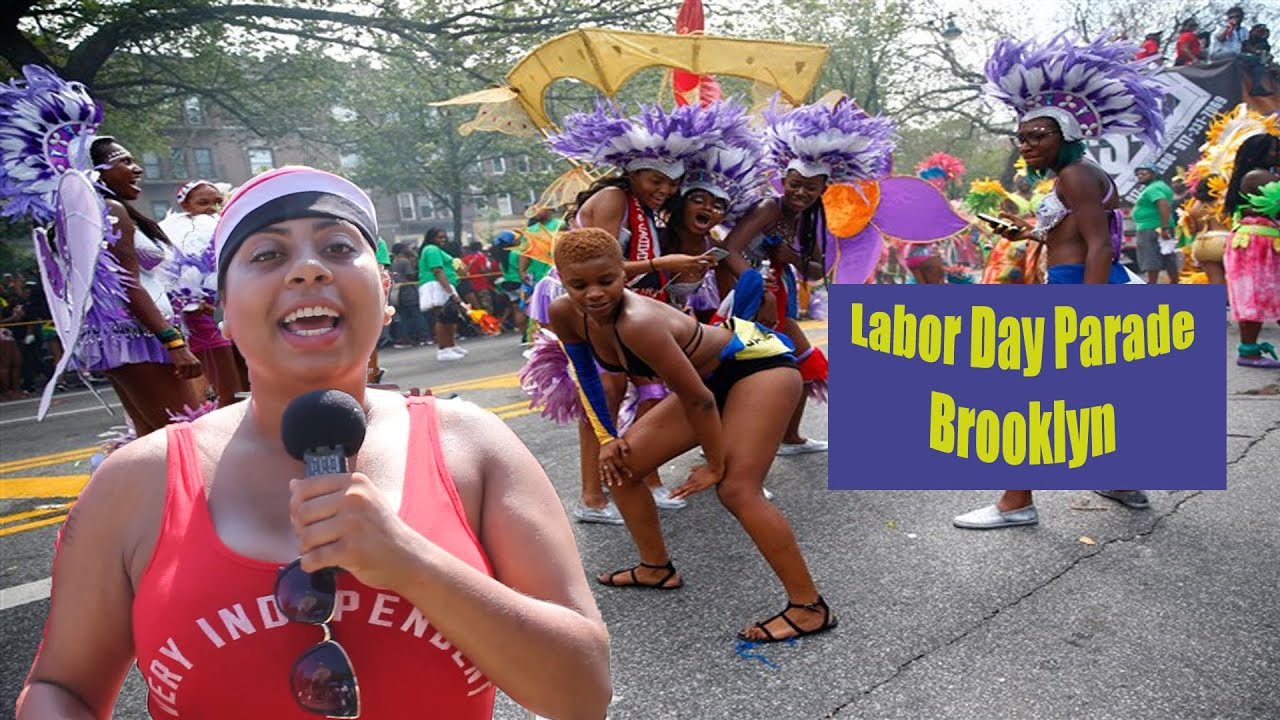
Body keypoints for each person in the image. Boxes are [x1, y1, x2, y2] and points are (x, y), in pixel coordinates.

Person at [17, 166, 611, 719]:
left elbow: (581, 692)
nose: (309, 270)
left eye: (337, 248)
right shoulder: (133, 482)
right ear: (221, 311)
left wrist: (413, 563)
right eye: (269, 254)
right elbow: (59, 688)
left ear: (382, 293)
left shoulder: (474, 445)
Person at [548, 226, 836, 642]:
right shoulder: (563, 314)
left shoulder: (638, 323)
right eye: (579, 285)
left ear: (623, 274)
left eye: (606, 280)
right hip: (706, 381)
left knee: (737, 489)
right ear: (562, 280)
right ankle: (655, 567)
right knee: (622, 465)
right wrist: (608, 437)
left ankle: (809, 607)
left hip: (759, 369)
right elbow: (588, 379)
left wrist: (714, 465)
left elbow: (699, 401)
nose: (593, 293)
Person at [955, 32, 1168, 529]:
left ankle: (1016, 503)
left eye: (1039, 136)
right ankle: (1121, 478)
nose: (1027, 146)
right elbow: (1071, 234)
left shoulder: (1075, 175)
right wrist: (1027, 232)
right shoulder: (1075, 176)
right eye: (1022, 138)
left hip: (1085, 289)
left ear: (1067, 135)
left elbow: (1100, 245)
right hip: (1084, 282)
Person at [542, 101, 723, 523]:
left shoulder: (641, 207)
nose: (663, 189)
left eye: (671, 183)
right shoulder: (612, 197)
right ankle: (592, 497)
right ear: (632, 173)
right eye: (655, 179)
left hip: (624, 309)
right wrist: (666, 263)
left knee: (651, 392)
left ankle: (646, 479)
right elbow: (598, 267)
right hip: (587, 306)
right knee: (603, 395)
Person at [723, 98, 896, 454]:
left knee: (803, 363)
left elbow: (817, 270)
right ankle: (735, 452)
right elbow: (729, 249)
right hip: (748, 297)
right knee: (750, 372)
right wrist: (757, 290)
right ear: (785, 179)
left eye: (810, 187)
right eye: (795, 184)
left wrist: (794, 259)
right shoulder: (769, 207)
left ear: (822, 190)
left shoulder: (811, 218)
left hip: (778, 298)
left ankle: (789, 437)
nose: (801, 192)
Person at [160, 179, 249, 407]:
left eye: (217, 202)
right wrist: (190, 303)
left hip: (237, 315)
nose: (211, 208)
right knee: (229, 392)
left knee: (247, 383)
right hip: (201, 319)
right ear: (186, 206)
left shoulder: (228, 227)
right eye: (203, 203)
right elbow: (167, 277)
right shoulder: (178, 234)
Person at [1221, 133, 1280, 368]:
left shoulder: (1263, 174)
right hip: (1256, 245)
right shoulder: (1259, 176)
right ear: (1260, 154)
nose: (1277, 154)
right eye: (1274, 150)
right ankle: (1248, 353)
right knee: (1254, 296)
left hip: (1262, 242)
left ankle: (1249, 351)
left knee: (1265, 295)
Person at [418, 227, 468, 362]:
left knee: (450, 317)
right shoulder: (432, 249)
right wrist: (450, 292)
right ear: (431, 238)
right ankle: (443, 349)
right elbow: (437, 271)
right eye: (439, 237)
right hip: (436, 285)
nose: (443, 239)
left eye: (444, 236)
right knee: (442, 317)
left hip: (443, 285)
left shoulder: (435, 250)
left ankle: (451, 346)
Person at [1132, 165, 1181, 284]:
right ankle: (1175, 283)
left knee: (1150, 257)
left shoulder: (1152, 189)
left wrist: (1163, 228)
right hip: (1161, 226)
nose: (1140, 176)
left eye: (1144, 173)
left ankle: (1152, 285)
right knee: (1167, 255)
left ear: (1154, 174)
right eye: (1138, 174)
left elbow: (1163, 205)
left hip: (1151, 228)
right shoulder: (1162, 186)